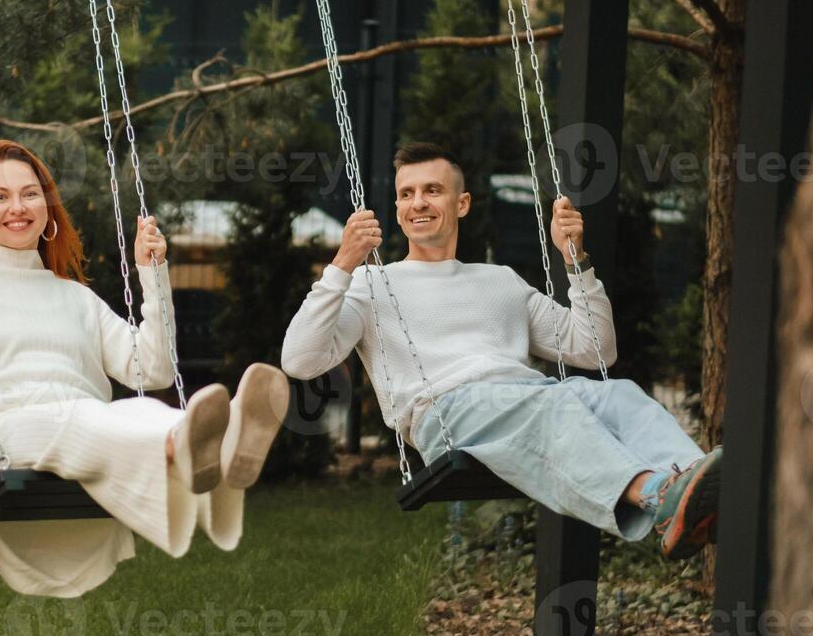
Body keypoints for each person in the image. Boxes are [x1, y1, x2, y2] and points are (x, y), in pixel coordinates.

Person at [281, 141, 721, 558]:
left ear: (462, 203)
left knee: (616, 393)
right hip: (448, 413)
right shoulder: (371, 284)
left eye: (432, 190)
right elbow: (299, 361)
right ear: (396, 208)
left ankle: (707, 493)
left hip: (526, 400)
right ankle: (658, 494)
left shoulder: (500, 280)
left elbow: (596, 351)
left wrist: (576, 262)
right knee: (548, 404)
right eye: (406, 194)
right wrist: (342, 264)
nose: (418, 203)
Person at [0, 140, 290, 597]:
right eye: (0, 196)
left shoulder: (75, 296)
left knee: (131, 410)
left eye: (30, 194)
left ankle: (220, 438)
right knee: (80, 416)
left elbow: (151, 371)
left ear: (47, 206)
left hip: (83, 428)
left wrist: (152, 275)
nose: (17, 207)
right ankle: (188, 442)